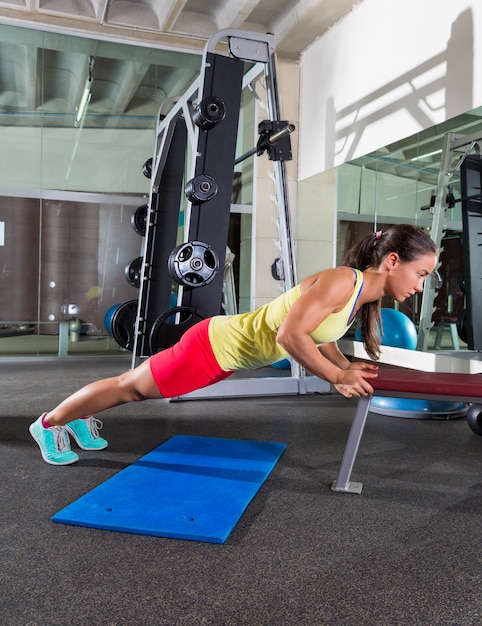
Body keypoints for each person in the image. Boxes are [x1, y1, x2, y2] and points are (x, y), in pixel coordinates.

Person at [30, 224, 438, 465]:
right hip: (213, 346)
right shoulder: (341, 281)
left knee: (130, 387)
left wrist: (344, 364)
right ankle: (48, 423)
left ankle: (77, 417)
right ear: (392, 262)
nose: (420, 287)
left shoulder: (358, 296)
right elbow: (289, 336)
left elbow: (320, 335)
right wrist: (335, 377)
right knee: (130, 388)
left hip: (226, 352)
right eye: (421, 274)